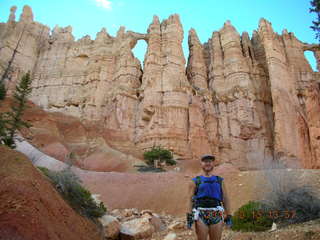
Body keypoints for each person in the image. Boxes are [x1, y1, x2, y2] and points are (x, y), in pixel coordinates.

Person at [187, 154, 231, 240]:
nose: (208, 163)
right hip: (201, 214)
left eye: (210, 161)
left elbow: (225, 198)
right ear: (201, 164)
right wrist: (189, 216)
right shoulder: (195, 181)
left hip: (216, 213)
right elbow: (189, 199)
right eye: (205, 161)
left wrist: (228, 215)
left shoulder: (219, 180)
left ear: (213, 164)